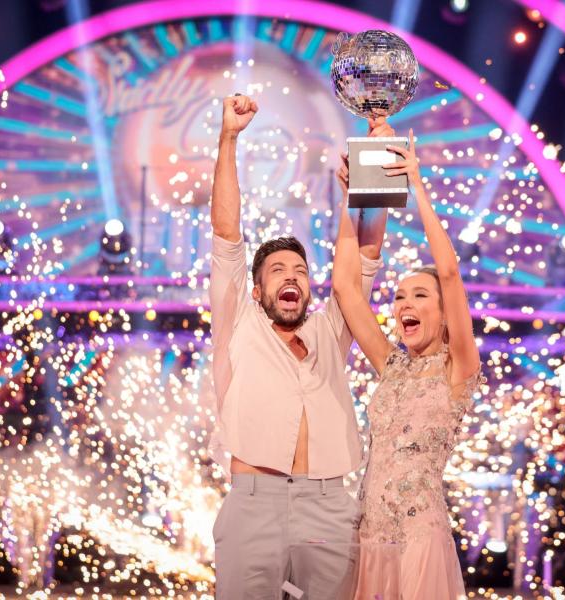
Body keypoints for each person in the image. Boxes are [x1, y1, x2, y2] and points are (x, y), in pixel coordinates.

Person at [208, 94, 390, 598]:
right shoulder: (238, 321)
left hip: (330, 505)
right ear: (258, 289)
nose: (292, 278)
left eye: (301, 271)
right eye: (278, 273)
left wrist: (372, 178)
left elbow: (366, 255)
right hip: (253, 504)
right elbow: (226, 233)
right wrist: (229, 138)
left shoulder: (332, 329)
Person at [332, 129, 484, 599]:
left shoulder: (458, 368)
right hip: (370, 537)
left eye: (420, 295)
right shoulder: (392, 366)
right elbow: (345, 289)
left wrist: (416, 183)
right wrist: (351, 201)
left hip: (420, 542)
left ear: (442, 314)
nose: (404, 304)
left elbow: (452, 274)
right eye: (399, 297)